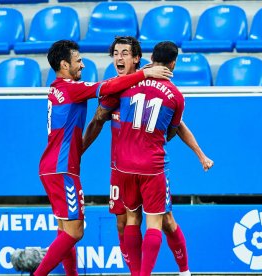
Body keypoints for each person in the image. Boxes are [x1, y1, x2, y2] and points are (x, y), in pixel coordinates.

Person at [32, 40, 173, 276]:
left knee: (64, 230)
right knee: (75, 232)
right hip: (62, 168)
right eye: (78, 61)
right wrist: (145, 73)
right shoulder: (71, 88)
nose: (83, 65)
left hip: (51, 166)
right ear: (64, 64)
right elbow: (107, 87)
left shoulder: (57, 89)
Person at [83, 37, 213, 276]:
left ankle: (180, 271)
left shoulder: (121, 88)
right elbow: (172, 131)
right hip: (146, 165)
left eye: (125, 53)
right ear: (173, 64)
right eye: (116, 53)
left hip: (124, 166)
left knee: (150, 220)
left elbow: (97, 118)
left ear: (143, 58)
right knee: (136, 221)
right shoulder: (171, 95)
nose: (119, 58)